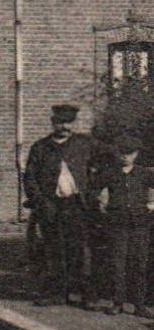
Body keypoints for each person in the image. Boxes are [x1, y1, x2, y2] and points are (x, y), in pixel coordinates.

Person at [22, 103, 99, 307]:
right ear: (53, 123)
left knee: (81, 250)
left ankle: (86, 295)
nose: (64, 126)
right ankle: (57, 293)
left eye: (68, 122)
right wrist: (40, 202)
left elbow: (102, 166)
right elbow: (30, 178)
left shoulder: (85, 144)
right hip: (51, 205)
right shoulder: (40, 147)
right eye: (60, 122)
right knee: (54, 250)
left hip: (78, 205)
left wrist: (93, 193)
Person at [97, 135, 154, 317]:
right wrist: (102, 203)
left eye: (129, 154)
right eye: (122, 153)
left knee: (139, 263)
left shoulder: (144, 173)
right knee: (117, 263)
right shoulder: (110, 173)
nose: (125, 157)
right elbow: (93, 190)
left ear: (136, 154)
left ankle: (139, 304)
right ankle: (118, 302)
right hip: (117, 224)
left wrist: (152, 205)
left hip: (140, 224)